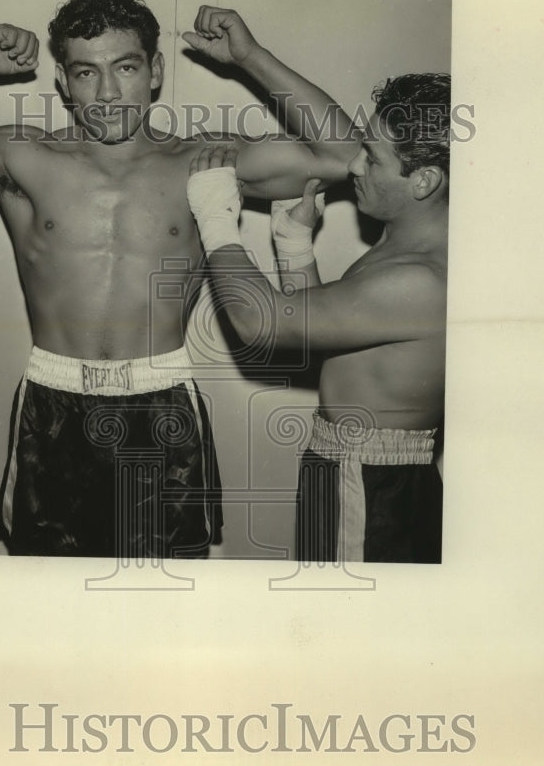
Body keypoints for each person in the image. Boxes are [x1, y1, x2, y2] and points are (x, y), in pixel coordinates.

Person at [0, 0, 359, 558]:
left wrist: (252, 57)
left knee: (165, 601)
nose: (106, 93)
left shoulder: (200, 160)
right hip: (52, 402)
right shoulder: (24, 157)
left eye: (125, 68)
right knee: (50, 597)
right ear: (63, 81)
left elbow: (345, 157)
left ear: (154, 71)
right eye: (86, 73)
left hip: (162, 399)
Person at [186, 73, 449, 563]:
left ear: (424, 180)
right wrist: (295, 248)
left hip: (372, 481)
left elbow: (262, 324)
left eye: (372, 155)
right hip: (347, 465)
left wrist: (216, 216)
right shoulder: (400, 247)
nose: (353, 164)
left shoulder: (421, 278)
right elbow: (335, 334)